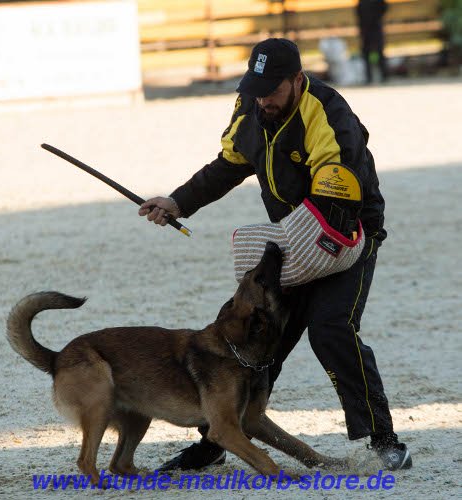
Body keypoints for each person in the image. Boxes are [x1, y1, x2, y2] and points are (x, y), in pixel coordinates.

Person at [138, 38, 412, 471]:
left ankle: (383, 439)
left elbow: (338, 200)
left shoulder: (330, 117)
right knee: (251, 335)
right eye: (257, 89)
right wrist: (178, 202)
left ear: (297, 81)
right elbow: (229, 163)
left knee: (331, 329)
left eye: (273, 90)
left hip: (347, 233)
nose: (263, 99)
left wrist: (300, 255)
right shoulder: (250, 105)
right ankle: (217, 437)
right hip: (291, 237)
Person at [357, 0, 389, 83]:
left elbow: (384, 8)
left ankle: (381, 75)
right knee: (369, 52)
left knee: (376, 52)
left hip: (373, 27)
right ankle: (371, 76)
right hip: (369, 28)